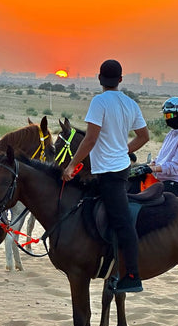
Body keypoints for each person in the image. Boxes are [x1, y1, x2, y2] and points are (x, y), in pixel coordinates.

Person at [62, 59, 149, 293]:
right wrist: (124, 149)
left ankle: (132, 275)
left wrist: (71, 165)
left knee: (121, 220)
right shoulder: (130, 103)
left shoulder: (99, 101)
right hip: (116, 168)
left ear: (100, 79)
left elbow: (90, 139)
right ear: (120, 80)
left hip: (110, 173)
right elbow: (144, 136)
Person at [144, 97, 178, 196]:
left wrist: (154, 169)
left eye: (170, 115)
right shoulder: (172, 133)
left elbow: (176, 167)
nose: (167, 119)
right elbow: (162, 157)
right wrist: (152, 164)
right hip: (164, 178)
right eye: (166, 116)